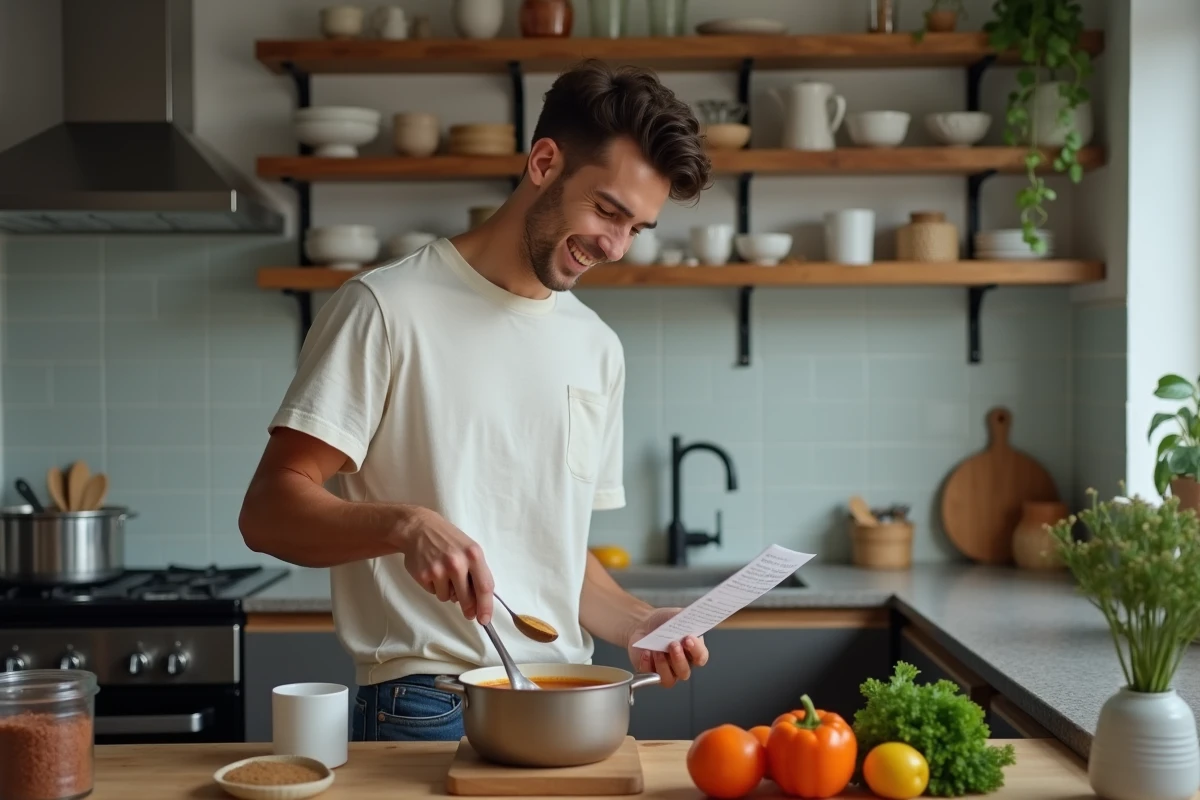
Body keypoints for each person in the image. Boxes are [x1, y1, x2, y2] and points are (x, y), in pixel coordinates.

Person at [239, 59, 714, 743]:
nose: (613, 245)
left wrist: (638, 621)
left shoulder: (596, 347)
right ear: (544, 162)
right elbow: (268, 511)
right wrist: (403, 525)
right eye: (607, 210)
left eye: (637, 227)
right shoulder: (386, 308)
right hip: (428, 705)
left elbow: (553, 554)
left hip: (567, 699)